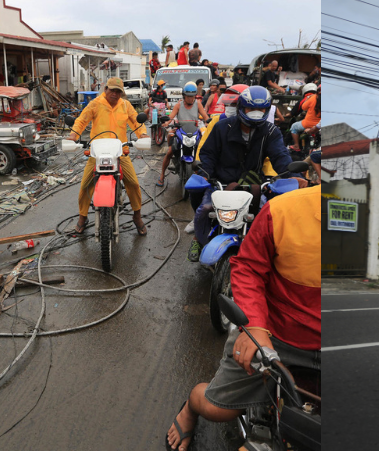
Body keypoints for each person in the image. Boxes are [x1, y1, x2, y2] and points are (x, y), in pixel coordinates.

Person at [164, 185, 321, 451]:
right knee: (203, 208)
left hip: (253, 190)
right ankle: (192, 406)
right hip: (276, 335)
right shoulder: (285, 211)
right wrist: (257, 328)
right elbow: (247, 268)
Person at [186, 86, 300, 261]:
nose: (256, 113)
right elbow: (208, 154)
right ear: (242, 107)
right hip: (221, 184)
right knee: (204, 209)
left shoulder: (271, 132)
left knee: (270, 216)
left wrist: (294, 177)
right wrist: (204, 174)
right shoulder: (222, 127)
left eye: (261, 109)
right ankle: (198, 239)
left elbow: (281, 157)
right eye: (251, 109)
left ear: (267, 110)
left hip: (253, 185)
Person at [69, 77, 150, 236]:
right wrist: (73, 135)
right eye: (112, 90)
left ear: (122, 93)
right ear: (105, 89)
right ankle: (83, 217)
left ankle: (137, 216)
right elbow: (81, 121)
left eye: (118, 91)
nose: (114, 93)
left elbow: (136, 121)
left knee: (133, 183)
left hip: (120, 151)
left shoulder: (125, 105)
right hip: (97, 152)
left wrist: (143, 135)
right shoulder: (95, 104)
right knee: (85, 185)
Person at [158, 81, 210, 193]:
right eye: (188, 97)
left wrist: (209, 121)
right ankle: (162, 176)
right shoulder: (178, 105)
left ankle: (201, 177)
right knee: (170, 151)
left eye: (193, 96)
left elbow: (205, 116)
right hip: (180, 131)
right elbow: (171, 117)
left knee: (201, 153)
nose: (191, 99)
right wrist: (166, 123)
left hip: (194, 132)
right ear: (184, 96)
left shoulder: (198, 104)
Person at [289, 83, 319, 151]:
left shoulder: (312, 97)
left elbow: (303, 107)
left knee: (294, 127)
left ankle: (296, 145)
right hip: (320, 124)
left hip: (308, 124)